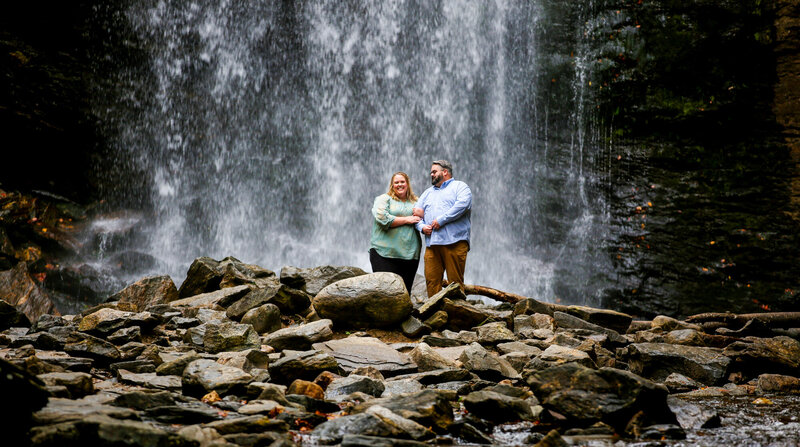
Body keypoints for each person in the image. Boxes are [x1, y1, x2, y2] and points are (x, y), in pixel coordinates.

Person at [413, 160, 472, 298]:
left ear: (445, 172)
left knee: (455, 284)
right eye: (431, 172)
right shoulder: (427, 193)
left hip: (455, 242)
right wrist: (422, 227)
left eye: (434, 171)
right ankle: (435, 317)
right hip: (432, 245)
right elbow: (415, 214)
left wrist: (441, 220)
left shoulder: (460, 187)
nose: (431, 174)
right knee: (432, 283)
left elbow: (463, 205)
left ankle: (457, 316)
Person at [369, 172, 423, 294]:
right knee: (384, 292)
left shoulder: (417, 202)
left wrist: (423, 215)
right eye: (396, 182)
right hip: (384, 253)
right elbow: (382, 218)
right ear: (392, 185)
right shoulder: (384, 199)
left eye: (402, 182)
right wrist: (407, 219)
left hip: (409, 254)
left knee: (405, 293)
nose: (399, 184)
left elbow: (426, 219)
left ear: (407, 184)